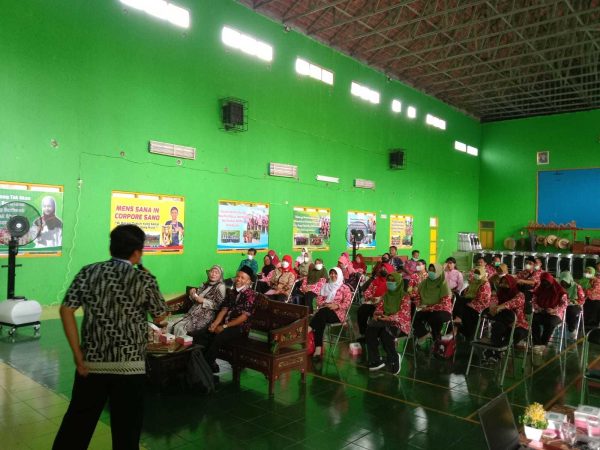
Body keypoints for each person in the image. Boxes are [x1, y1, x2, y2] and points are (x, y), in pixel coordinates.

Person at [53, 224, 168, 450]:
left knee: (76, 426)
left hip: (91, 365)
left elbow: (66, 310)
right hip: (130, 368)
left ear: (111, 247)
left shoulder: (88, 272)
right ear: (137, 252)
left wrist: (77, 353)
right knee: (127, 432)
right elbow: (160, 316)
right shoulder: (144, 279)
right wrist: (149, 279)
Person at [192, 266, 257, 373]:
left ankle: (204, 368)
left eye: (242, 278)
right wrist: (215, 324)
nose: (238, 279)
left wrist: (224, 326)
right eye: (237, 276)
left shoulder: (250, 295)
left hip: (240, 328)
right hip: (226, 324)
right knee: (204, 333)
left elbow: (244, 317)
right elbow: (224, 309)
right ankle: (206, 364)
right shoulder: (231, 292)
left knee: (218, 337)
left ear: (248, 281)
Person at [366, 272, 411, 375]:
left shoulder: (405, 297)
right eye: (389, 280)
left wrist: (389, 317)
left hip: (399, 324)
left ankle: (394, 357)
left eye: (393, 280)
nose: (390, 282)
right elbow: (379, 308)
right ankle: (376, 359)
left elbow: (403, 314)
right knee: (370, 330)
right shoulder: (386, 295)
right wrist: (377, 315)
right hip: (384, 321)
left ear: (398, 282)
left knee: (385, 333)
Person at [165, 265, 226, 337]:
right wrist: (192, 294)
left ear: (220, 276)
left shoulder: (220, 287)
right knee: (171, 324)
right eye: (212, 272)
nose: (213, 274)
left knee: (180, 327)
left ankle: (179, 343)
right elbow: (196, 300)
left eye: (216, 273)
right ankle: (169, 343)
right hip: (192, 313)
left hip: (204, 317)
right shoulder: (204, 284)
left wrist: (204, 301)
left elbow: (219, 305)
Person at [308, 267, 352, 358]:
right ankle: (318, 349)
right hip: (324, 312)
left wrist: (337, 305)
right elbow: (318, 300)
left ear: (339, 275)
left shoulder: (345, 288)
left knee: (320, 315)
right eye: (331, 273)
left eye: (335, 273)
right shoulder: (326, 286)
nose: (333, 275)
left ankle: (309, 329)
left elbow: (347, 303)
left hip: (338, 314)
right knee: (321, 318)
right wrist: (326, 304)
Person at [488, 275, 529, 360]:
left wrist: (501, 307)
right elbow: (493, 303)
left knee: (517, 332)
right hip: (504, 322)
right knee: (497, 327)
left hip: (519, 324)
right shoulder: (498, 294)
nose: (503, 285)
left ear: (512, 284)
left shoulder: (520, 295)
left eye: (506, 283)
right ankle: (497, 352)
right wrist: (493, 307)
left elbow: (513, 303)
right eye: (502, 283)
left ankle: (498, 350)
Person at [412, 263, 453, 348]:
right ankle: (425, 334)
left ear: (439, 272)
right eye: (430, 270)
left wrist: (429, 308)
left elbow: (445, 303)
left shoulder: (443, 284)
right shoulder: (424, 283)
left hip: (441, 310)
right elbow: (417, 296)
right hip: (425, 308)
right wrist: (419, 305)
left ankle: (437, 340)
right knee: (412, 312)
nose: (431, 272)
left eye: (433, 271)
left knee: (435, 317)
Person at [531, 272, 568, 352]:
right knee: (533, 320)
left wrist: (554, 310)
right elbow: (533, 301)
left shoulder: (560, 291)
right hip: (541, 311)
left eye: (547, 282)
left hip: (555, 314)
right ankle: (537, 343)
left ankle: (543, 344)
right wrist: (539, 308)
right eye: (543, 282)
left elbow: (564, 305)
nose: (545, 284)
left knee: (550, 322)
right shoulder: (540, 289)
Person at [453, 267, 491, 340]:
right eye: (475, 273)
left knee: (462, 304)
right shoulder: (474, 281)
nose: (476, 275)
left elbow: (481, 298)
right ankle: (456, 327)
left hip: (480, 305)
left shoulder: (485, 284)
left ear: (483, 274)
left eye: (478, 273)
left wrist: (471, 303)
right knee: (457, 300)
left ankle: (458, 322)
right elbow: (466, 293)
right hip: (470, 301)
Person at [356, 268, 388, 341]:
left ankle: (377, 336)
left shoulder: (389, 283)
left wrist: (380, 303)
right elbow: (367, 291)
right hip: (372, 302)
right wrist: (371, 297)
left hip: (383, 305)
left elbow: (389, 296)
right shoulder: (375, 281)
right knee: (361, 310)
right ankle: (364, 333)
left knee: (378, 315)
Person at [559, 271, 585, 339]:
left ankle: (572, 329)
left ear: (570, 280)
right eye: (562, 282)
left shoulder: (577, 287)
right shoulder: (558, 287)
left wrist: (573, 301)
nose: (564, 284)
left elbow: (582, 300)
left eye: (565, 281)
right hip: (561, 305)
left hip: (574, 306)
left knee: (571, 311)